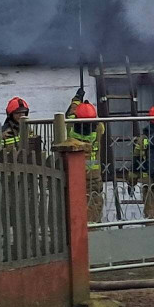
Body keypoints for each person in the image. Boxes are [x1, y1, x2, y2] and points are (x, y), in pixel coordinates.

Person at [66, 88, 105, 223]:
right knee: (94, 203)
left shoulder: (71, 127)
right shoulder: (99, 128)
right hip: (94, 174)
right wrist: (89, 109)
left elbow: (71, 114)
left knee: (75, 204)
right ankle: (94, 227)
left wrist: (77, 99)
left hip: (75, 172)